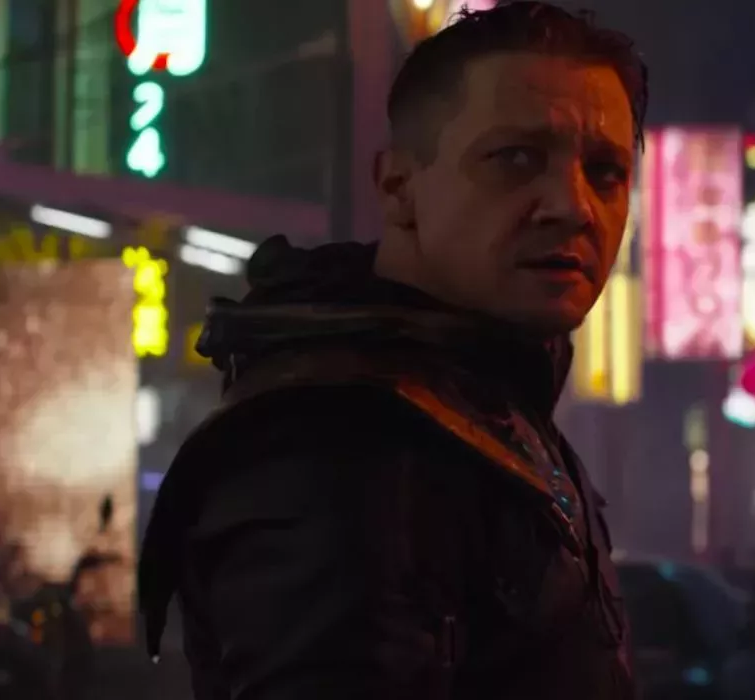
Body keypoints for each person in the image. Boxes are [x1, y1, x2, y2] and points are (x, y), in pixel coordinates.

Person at [138, 3, 648, 698]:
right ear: (398, 187)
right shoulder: (338, 444)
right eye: (517, 159)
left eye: (606, 172)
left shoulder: (483, 411)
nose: (574, 206)